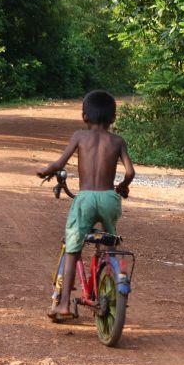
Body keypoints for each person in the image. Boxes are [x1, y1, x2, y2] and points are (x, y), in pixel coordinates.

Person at [37, 90, 136, 319]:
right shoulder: (118, 141)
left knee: (73, 250)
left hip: (85, 199)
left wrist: (44, 171)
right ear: (113, 118)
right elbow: (130, 172)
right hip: (109, 197)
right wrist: (122, 186)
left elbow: (59, 163)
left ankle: (63, 305)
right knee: (109, 244)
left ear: (84, 116)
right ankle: (108, 274)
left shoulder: (80, 136)